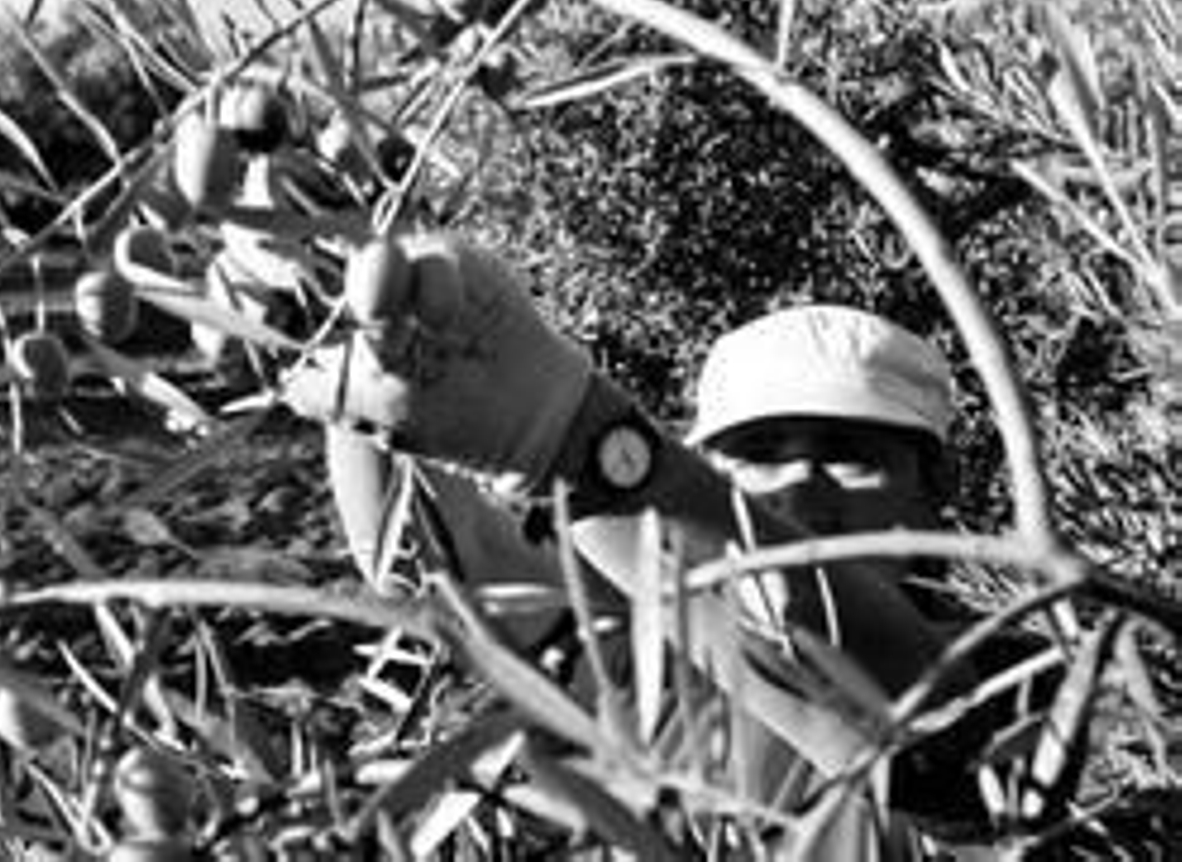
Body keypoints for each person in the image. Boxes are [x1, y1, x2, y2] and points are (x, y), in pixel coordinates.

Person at [282, 232, 1054, 856]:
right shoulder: (643, 664)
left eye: (851, 455)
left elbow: (914, 722)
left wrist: (571, 442)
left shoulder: (1031, 679)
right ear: (707, 468)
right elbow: (442, 564)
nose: (802, 489)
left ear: (934, 482)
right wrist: (361, 329)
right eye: (760, 454)